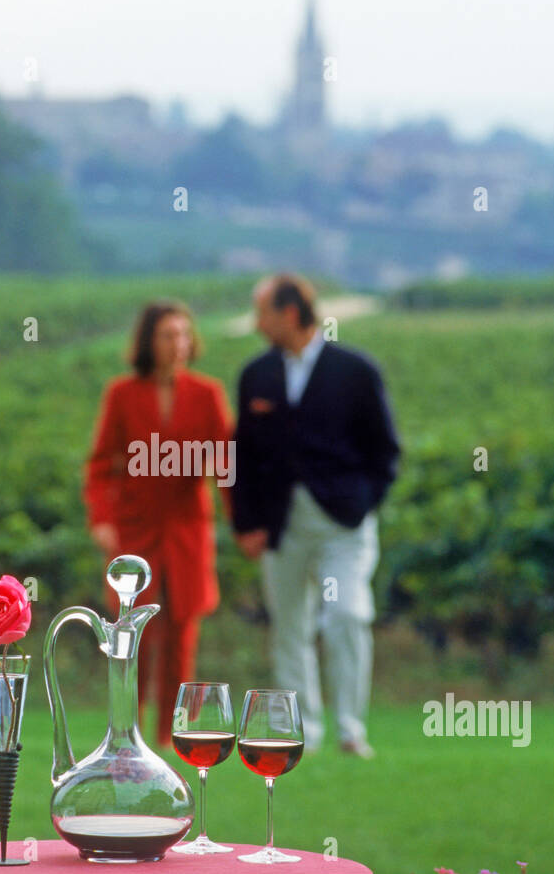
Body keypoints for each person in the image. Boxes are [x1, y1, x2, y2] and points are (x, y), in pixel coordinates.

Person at [231, 274, 400, 757]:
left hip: (343, 526)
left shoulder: (356, 370)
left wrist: (362, 505)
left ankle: (350, 728)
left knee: (346, 614)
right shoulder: (256, 374)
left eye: (262, 312)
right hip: (281, 525)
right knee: (289, 628)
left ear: (289, 313)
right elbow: (241, 456)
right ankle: (302, 731)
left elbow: (385, 451)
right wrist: (247, 523)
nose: (256, 323)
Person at [84, 301, 234, 748]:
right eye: (169, 335)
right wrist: (102, 520)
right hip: (135, 530)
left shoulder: (207, 394)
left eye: (184, 334)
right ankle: (127, 737)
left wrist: (244, 521)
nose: (178, 344)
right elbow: (100, 466)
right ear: (149, 341)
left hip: (187, 530)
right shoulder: (122, 394)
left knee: (182, 633)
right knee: (133, 636)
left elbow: (227, 466)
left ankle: (170, 739)